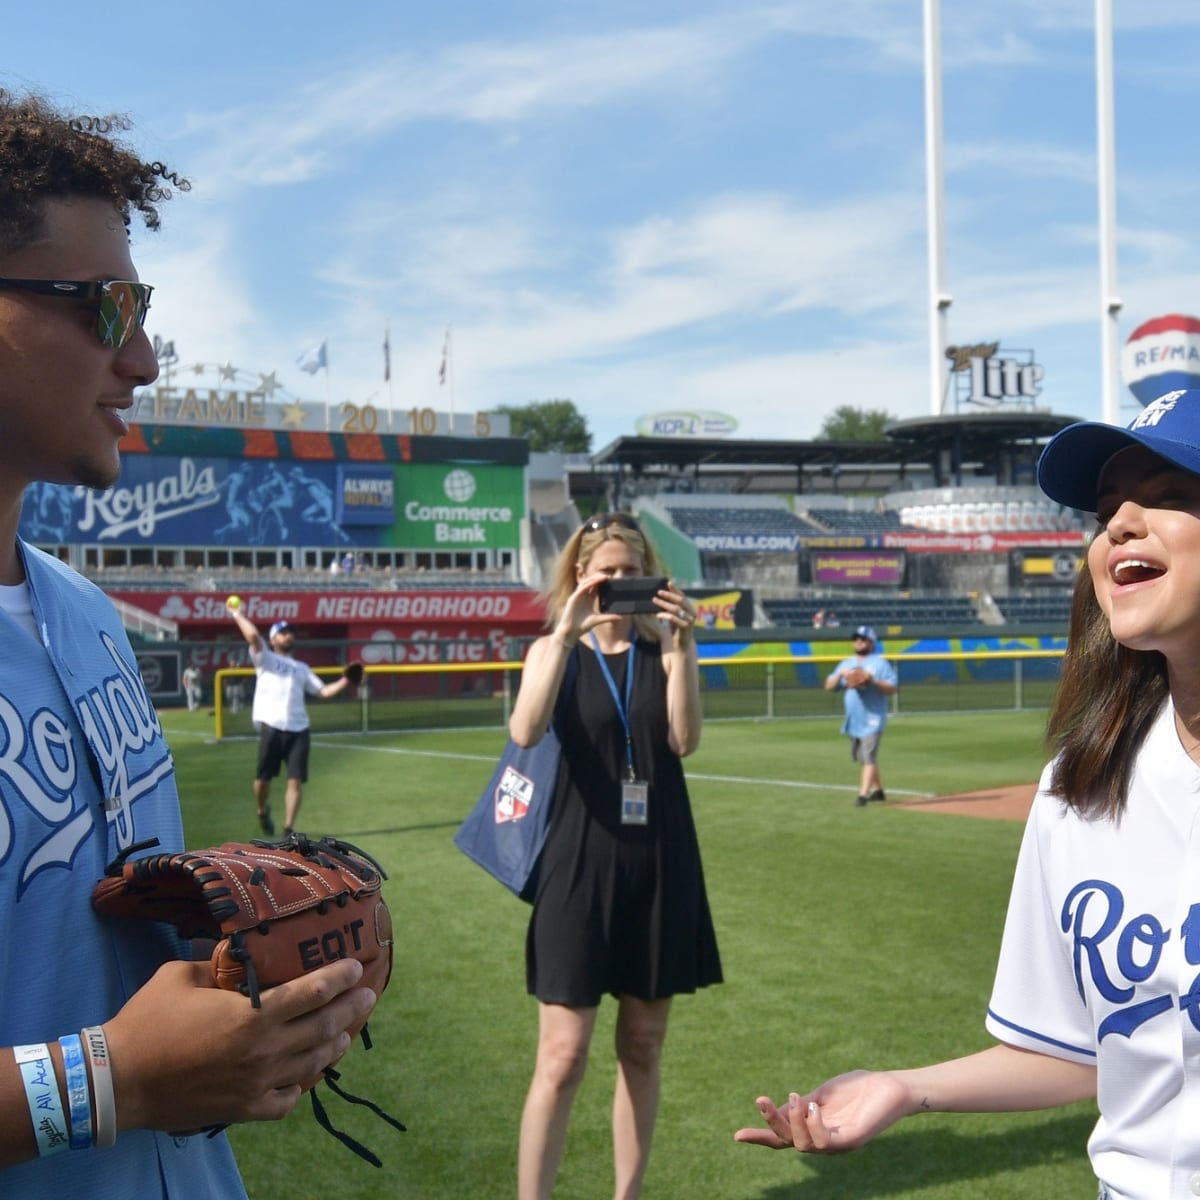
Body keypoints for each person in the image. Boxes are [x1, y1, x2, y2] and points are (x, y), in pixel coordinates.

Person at [0, 88, 375, 1193]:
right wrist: (111, 1079)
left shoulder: (85, 617)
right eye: (108, 308)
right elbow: (114, 1065)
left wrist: (244, 996)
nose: (147, 359)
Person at [734, 387, 1200, 1198]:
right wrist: (908, 1088)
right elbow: (1076, 1045)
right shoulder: (1082, 785)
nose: (1121, 524)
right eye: (1105, 510)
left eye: (1168, 498)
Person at [510, 512, 723, 1200]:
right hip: (576, 862)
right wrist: (567, 629)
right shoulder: (553, 649)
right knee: (563, 1054)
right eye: (607, 572)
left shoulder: (664, 650)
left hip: (660, 858)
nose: (621, 583)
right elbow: (526, 728)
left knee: (642, 1045)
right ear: (579, 574)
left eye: (634, 572)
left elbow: (684, 741)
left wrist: (683, 648)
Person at [227, 607, 354, 837]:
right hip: (271, 726)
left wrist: (346, 680)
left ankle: (288, 829)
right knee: (262, 780)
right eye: (283, 632)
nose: (288, 636)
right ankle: (262, 810)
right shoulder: (266, 658)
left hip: (299, 729)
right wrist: (236, 614)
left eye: (291, 632)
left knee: (295, 781)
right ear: (273, 638)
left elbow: (323, 691)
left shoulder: (302, 668)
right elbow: (253, 637)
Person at [822, 625, 899, 806]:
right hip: (855, 720)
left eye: (863, 639)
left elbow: (892, 688)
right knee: (863, 758)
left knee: (869, 757)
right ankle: (878, 791)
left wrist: (873, 681)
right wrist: (838, 676)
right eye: (856, 639)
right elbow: (829, 686)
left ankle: (862, 796)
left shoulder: (880, 663)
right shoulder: (846, 664)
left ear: (872, 643)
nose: (858, 642)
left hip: (873, 718)